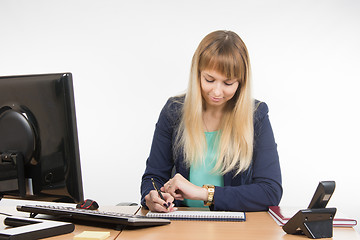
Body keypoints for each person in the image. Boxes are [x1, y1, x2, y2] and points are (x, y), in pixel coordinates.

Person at [140, 30, 282, 213]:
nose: (216, 92)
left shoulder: (256, 115)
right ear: (197, 74)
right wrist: (153, 196)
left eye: (228, 83)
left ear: (241, 82)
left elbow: (270, 192)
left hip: (235, 227)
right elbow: (153, 176)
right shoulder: (173, 111)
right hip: (180, 223)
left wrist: (204, 193)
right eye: (209, 79)